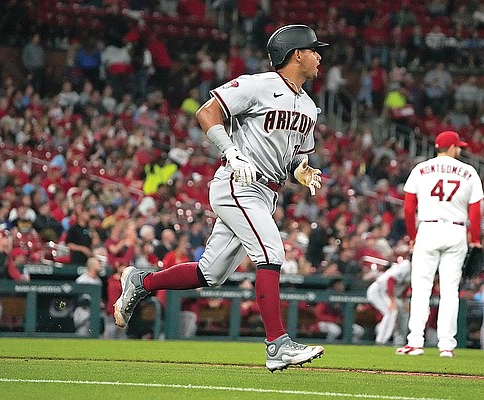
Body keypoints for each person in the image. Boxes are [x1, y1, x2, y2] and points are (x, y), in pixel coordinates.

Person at [113, 25, 327, 372]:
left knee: (210, 273)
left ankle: (142, 281)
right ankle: (278, 345)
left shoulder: (308, 105)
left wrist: (302, 171)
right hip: (237, 183)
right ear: (296, 54)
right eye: (314, 50)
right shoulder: (258, 85)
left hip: (266, 192)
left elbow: (295, 156)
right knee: (272, 252)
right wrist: (230, 151)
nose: (319, 56)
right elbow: (206, 112)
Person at [397, 130, 484, 357]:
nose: (460, 149)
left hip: (428, 228)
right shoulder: (469, 172)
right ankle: (447, 345)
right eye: (458, 146)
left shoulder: (421, 169)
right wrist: (475, 240)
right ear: (452, 147)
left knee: (421, 288)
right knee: (450, 291)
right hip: (456, 230)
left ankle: (415, 342)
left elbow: (408, 208)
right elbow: (476, 212)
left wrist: (413, 235)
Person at [366, 248, 411, 345]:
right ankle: (381, 341)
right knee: (391, 311)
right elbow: (390, 280)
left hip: (387, 293)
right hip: (378, 290)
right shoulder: (406, 265)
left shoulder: (416, 269)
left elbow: (405, 284)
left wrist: (404, 301)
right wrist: (392, 301)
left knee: (404, 310)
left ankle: (399, 341)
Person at [73, 257, 104, 336]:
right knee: (82, 335)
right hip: (84, 311)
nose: (100, 266)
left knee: (96, 337)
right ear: (92, 266)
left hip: (95, 311)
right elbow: (78, 299)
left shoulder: (98, 280)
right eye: (98, 264)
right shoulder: (82, 280)